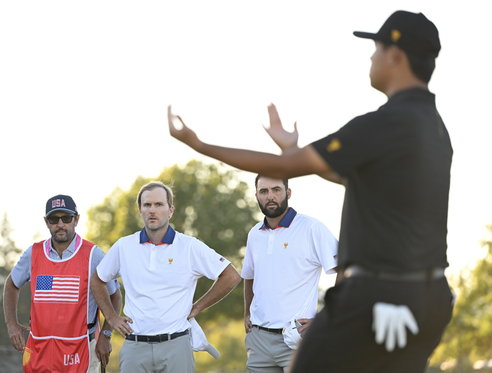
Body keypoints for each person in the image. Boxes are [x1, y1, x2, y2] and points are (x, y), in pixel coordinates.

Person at [167, 10, 454, 373]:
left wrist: (199, 144)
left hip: (382, 298)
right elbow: (354, 178)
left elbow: (286, 170)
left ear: (395, 55)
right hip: (428, 297)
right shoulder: (432, 126)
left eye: (376, 48)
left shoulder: (386, 123)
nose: (370, 57)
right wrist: (292, 148)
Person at [90, 181, 241, 373]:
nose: (152, 210)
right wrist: (111, 317)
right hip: (135, 347)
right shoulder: (124, 246)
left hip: (176, 345)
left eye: (159, 205)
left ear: (170, 210)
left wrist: (197, 307)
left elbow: (231, 276)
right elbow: (97, 279)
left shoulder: (189, 246)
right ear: (140, 210)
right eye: (147, 205)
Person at [3, 194, 122, 373]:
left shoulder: (93, 255)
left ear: (76, 219)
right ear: (46, 221)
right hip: (40, 350)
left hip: (82, 348)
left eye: (66, 218)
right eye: (54, 219)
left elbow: (115, 295)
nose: (60, 224)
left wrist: (106, 334)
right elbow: (11, 284)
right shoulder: (33, 253)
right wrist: (12, 324)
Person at [243, 175, 339, 373]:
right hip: (258, 341)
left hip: (297, 339)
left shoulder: (312, 228)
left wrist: (326, 317)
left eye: (276, 190)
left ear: (288, 193)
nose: (270, 196)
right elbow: (250, 276)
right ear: (256, 196)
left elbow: (345, 270)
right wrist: (246, 313)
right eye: (264, 191)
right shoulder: (254, 234)